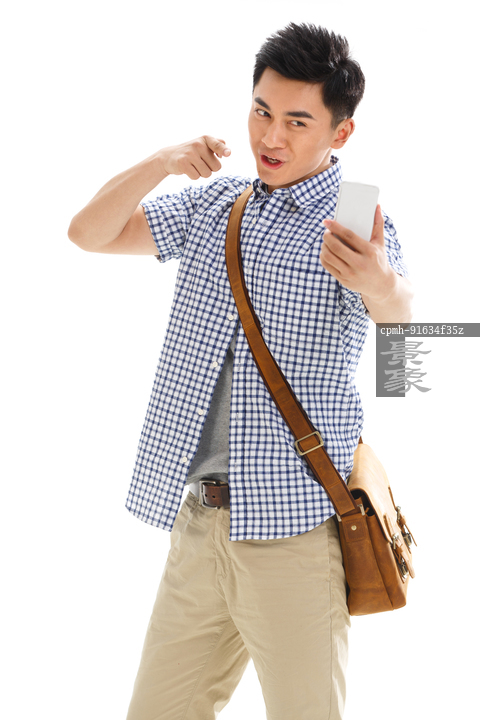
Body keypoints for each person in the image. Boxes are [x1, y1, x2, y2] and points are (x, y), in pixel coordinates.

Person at [68, 22, 413, 720]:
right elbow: (88, 233)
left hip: (293, 535)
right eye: (261, 111)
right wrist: (163, 161)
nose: (270, 137)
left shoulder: (355, 223)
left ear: (340, 133)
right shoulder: (214, 204)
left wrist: (383, 288)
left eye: (297, 121)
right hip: (200, 523)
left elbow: (405, 359)